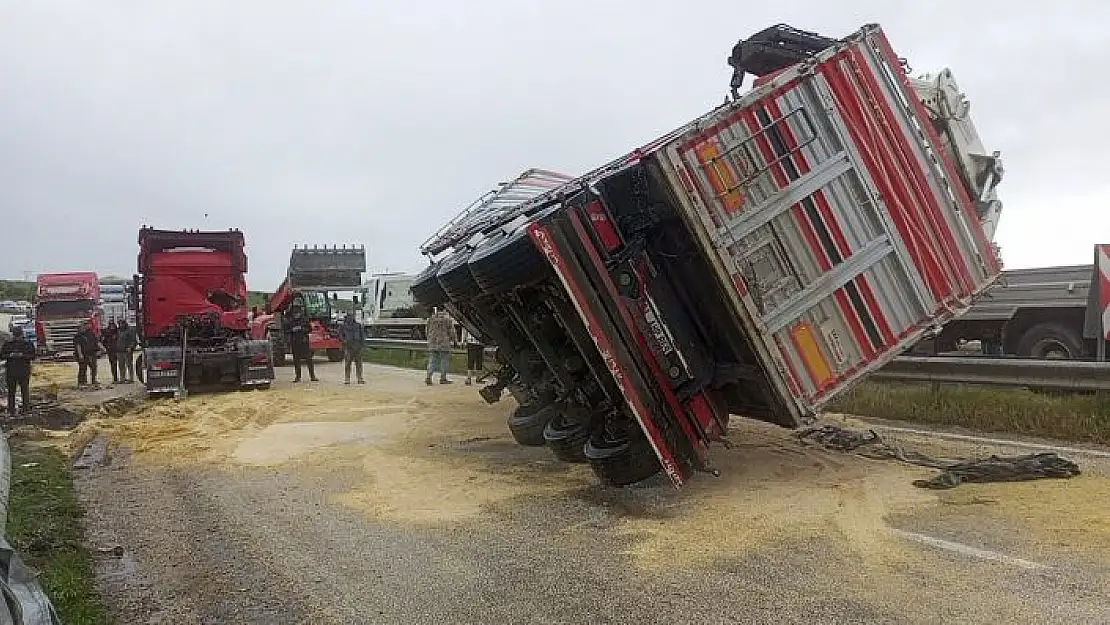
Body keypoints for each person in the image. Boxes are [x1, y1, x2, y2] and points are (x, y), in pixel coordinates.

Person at [1, 326, 35, 417]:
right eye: (16, 336)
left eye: (18, 336)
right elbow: (2, 355)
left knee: (24, 391)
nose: (17, 338)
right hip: (12, 371)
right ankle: (11, 410)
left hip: (23, 371)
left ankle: (25, 409)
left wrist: (22, 355)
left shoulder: (27, 344)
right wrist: (10, 355)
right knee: (12, 392)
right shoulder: (8, 344)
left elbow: (32, 356)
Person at [285, 299, 317, 382]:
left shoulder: (305, 320)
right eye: (295, 313)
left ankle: (312, 376)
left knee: (309, 360)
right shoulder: (290, 321)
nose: (296, 314)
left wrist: (302, 329)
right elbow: (286, 330)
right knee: (296, 361)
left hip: (304, 342)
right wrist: (293, 330)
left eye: (297, 313)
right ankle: (298, 377)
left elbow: (309, 329)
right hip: (295, 342)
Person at [425, 307, 455, 386]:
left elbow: (427, 330)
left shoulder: (430, 319)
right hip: (444, 342)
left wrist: (429, 339)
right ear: (444, 310)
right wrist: (454, 340)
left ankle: (428, 376)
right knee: (444, 360)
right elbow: (452, 331)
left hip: (433, 342)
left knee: (432, 360)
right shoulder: (447, 319)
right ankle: (443, 378)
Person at [339, 311, 365, 385]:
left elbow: (362, 336)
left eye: (352, 316)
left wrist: (362, 345)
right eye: (349, 316)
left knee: (359, 363)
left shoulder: (358, 325)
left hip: (357, 346)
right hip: (348, 346)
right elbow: (340, 335)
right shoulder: (343, 326)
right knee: (347, 364)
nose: (351, 318)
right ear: (347, 317)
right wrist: (344, 341)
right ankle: (347, 378)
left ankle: (360, 378)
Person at [73, 321, 100, 387]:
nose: (84, 328)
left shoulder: (91, 334)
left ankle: (94, 381)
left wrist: (101, 349)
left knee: (94, 367)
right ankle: (81, 382)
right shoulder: (78, 336)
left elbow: (96, 342)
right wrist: (80, 354)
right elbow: (78, 346)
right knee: (83, 368)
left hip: (92, 353)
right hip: (83, 354)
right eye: (82, 327)